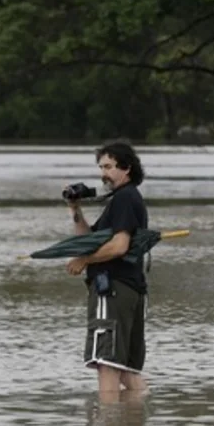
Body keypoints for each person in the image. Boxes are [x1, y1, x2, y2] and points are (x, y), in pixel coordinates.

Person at [64, 141, 150, 401]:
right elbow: (86, 238)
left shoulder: (125, 197)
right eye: (101, 167)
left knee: (106, 362)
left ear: (127, 168)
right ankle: (134, 420)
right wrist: (75, 209)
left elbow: (119, 246)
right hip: (130, 288)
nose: (104, 173)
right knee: (125, 368)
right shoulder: (123, 199)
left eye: (109, 166)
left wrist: (84, 261)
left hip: (112, 287)